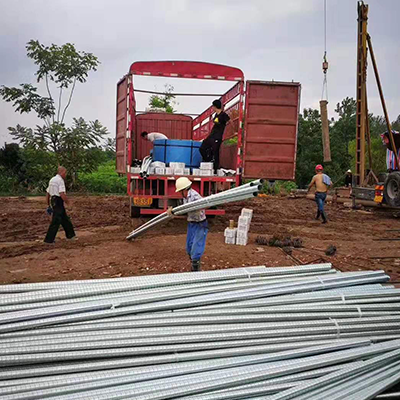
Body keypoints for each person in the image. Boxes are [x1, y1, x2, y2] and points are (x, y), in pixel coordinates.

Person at [173, 177, 208, 271]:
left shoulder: (195, 196)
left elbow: (204, 204)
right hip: (192, 223)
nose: (180, 194)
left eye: (181, 191)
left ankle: (195, 270)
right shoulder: (186, 197)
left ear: (185, 190)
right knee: (189, 247)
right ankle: (193, 264)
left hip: (200, 224)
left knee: (196, 248)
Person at [44, 166, 76, 243]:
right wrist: (68, 203)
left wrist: (48, 204)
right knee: (56, 221)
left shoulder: (52, 180)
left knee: (65, 219)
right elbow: (61, 193)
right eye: (65, 173)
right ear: (61, 172)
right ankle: (48, 240)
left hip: (53, 200)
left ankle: (71, 235)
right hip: (58, 201)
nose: (65, 174)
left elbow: (48, 193)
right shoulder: (60, 180)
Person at [199, 99, 230, 172]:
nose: (212, 108)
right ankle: (208, 160)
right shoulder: (216, 115)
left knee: (216, 152)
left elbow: (229, 122)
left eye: (213, 106)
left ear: (215, 106)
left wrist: (232, 131)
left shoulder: (223, 115)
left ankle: (215, 169)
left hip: (217, 136)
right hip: (212, 135)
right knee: (202, 147)